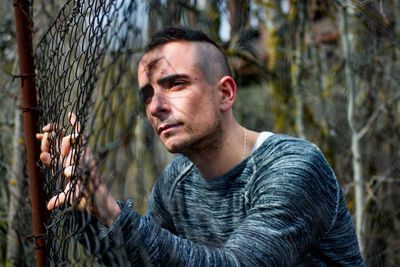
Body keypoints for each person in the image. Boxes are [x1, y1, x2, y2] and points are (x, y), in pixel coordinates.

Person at [37, 26, 365, 266]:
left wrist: (111, 211)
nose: (155, 107)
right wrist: (82, 209)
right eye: (148, 94)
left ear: (225, 93)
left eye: (175, 84)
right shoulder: (174, 182)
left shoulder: (293, 167)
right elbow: (144, 258)